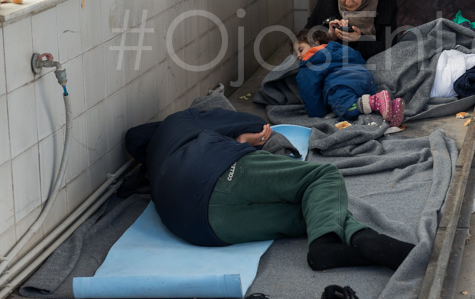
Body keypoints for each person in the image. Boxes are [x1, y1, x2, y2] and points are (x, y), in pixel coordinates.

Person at [124, 107, 414, 271]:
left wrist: (236, 141)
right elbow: (257, 124)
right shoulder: (181, 120)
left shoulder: (157, 163)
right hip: (212, 171)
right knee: (322, 178)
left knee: (313, 209)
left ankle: (350, 244)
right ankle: (350, 237)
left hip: (196, 227)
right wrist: (243, 137)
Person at [294, 27, 404, 127]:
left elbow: (308, 89)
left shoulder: (308, 64)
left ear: (315, 43)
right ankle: (391, 108)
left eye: (300, 50)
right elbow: (357, 56)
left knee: (344, 107)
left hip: (342, 84)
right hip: (365, 77)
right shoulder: (338, 47)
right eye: (296, 55)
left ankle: (374, 102)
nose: (298, 56)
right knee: (361, 104)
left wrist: (317, 113)